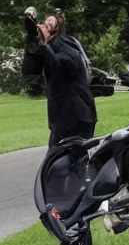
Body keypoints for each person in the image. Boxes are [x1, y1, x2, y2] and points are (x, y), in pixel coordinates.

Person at [22, 10, 97, 147]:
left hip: (76, 116)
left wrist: (45, 47)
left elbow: (63, 69)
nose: (44, 24)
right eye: (43, 22)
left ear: (57, 28)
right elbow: (28, 69)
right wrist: (31, 38)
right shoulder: (48, 49)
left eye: (49, 22)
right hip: (62, 117)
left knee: (64, 162)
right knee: (57, 162)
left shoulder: (67, 46)